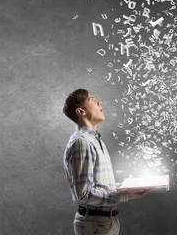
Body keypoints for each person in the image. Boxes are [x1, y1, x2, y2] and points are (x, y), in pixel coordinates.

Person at [62, 89, 151, 235]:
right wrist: (124, 195)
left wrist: (128, 189)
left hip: (104, 222)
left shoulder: (95, 140)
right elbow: (84, 195)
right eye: (92, 100)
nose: (99, 102)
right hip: (95, 223)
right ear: (81, 111)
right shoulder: (81, 143)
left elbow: (99, 186)